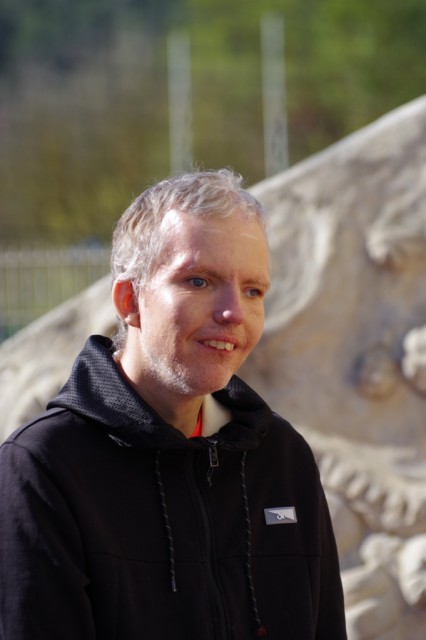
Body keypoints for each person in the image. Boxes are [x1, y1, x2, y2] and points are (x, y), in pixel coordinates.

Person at [0, 169, 347, 639]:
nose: (233, 313)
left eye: (253, 290)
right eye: (199, 281)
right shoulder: (43, 468)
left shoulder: (282, 458)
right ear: (130, 299)